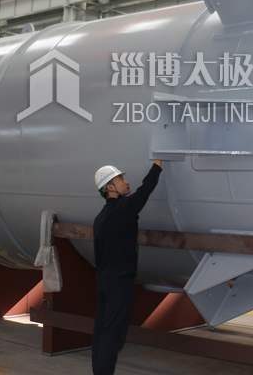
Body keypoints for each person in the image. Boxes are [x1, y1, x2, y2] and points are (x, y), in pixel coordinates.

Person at [91, 159, 162, 375]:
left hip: (103, 282)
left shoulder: (100, 218)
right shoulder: (124, 208)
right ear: (110, 187)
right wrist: (157, 165)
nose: (126, 181)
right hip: (119, 282)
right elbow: (145, 189)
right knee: (113, 337)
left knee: (102, 334)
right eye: (120, 179)